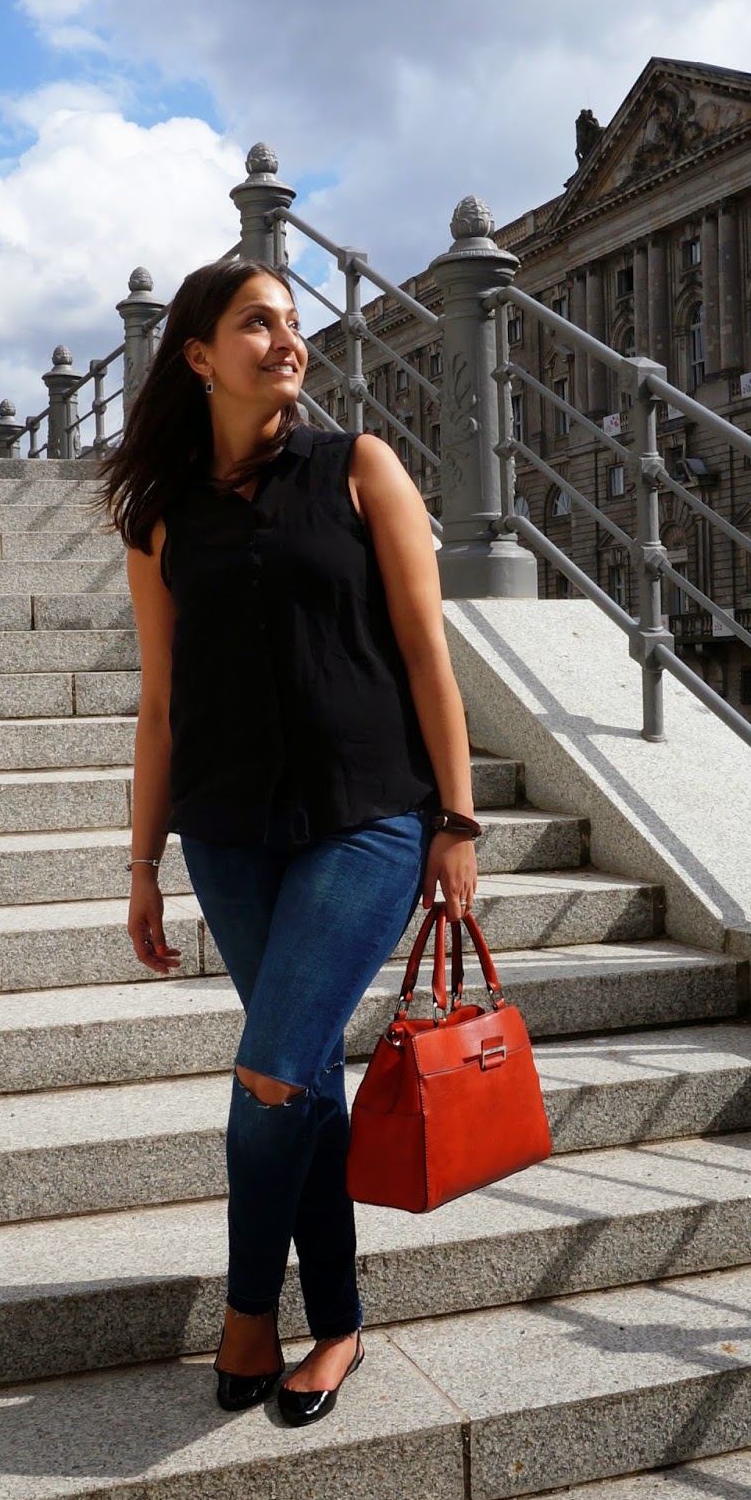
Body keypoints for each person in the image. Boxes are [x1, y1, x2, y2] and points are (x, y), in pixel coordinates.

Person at [96, 257, 480, 1427]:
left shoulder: (358, 466)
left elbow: (427, 654)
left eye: (294, 322)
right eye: (256, 322)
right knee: (299, 1074)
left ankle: (250, 1307)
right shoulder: (159, 515)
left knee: (270, 1070)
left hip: (367, 819)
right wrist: (142, 863)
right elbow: (159, 704)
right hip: (227, 829)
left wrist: (456, 823)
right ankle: (345, 1321)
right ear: (199, 356)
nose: (287, 339)